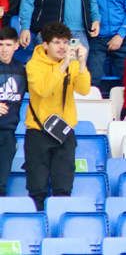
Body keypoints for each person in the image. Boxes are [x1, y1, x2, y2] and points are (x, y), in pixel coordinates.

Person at [23, 21, 90, 210]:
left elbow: (84, 90)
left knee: (63, 185)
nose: (62, 47)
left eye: (65, 42)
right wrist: (64, 66)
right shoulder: (33, 64)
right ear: (45, 45)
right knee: (37, 187)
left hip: (64, 130)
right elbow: (43, 89)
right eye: (57, 42)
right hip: (38, 131)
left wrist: (82, 63)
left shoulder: (73, 63)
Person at [0, 27, 26, 196]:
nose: (3, 48)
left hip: (8, 133)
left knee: (1, 184)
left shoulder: (23, 70)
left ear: (16, 46)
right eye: (0, 44)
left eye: (8, 44)